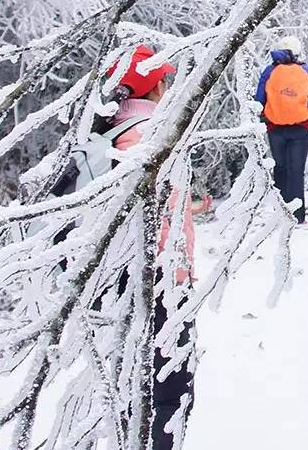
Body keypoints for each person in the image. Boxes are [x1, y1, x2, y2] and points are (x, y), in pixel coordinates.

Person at [98, 45, 200, 450]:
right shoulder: (151, 136)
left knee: (130, 381)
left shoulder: (107, 132)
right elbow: (163, 221)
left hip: (116, 273)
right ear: (155, 85)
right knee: (170, 388)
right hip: (161, 277)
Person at [254, 36, 308, 223]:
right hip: (301, 129)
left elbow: (258, 101)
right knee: (296, 170)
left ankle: (281, 213)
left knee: (280, 168)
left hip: (274, 127)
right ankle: (297, 216)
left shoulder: (269, 72)